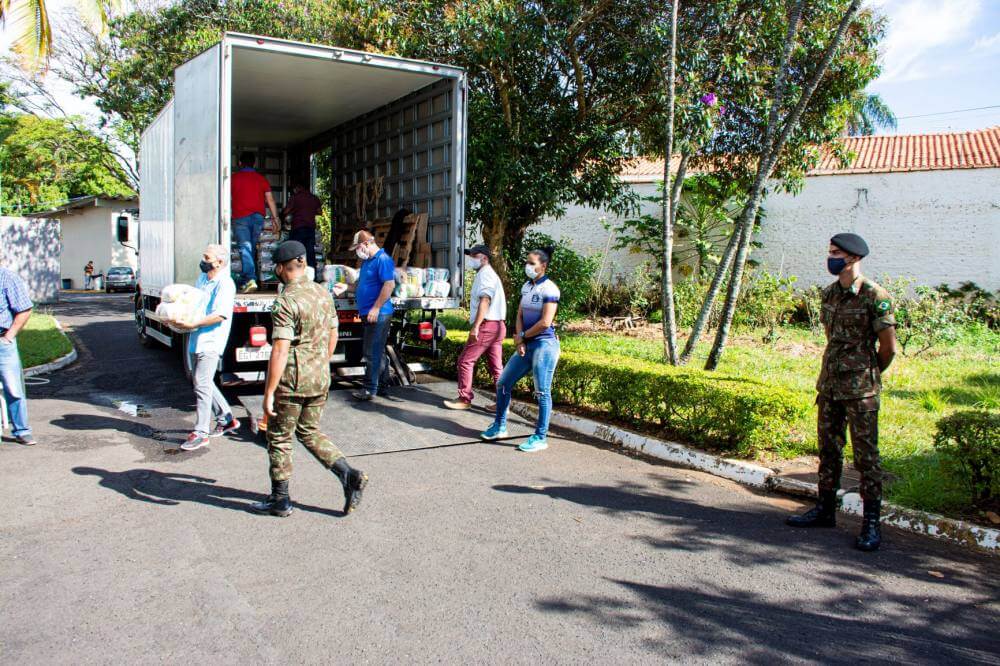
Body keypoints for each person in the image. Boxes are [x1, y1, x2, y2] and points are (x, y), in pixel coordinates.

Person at [786, 233, 897, 552]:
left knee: (866, 457)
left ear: (853, 258)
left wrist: (867, 373)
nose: (831, 258)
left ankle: (871, 523)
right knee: (829, 450)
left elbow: (888, 348)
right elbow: (830, 336)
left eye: (837, 253)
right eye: (830, 252)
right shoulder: (829, 294)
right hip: (830, 385)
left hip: (860, 390)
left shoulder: (875, 295)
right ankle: (825, 510)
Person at [251, 240, 368, 516]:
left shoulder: (286, 300)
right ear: (303, 263)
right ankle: (349, 474)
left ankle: (280, 500)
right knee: (309, 431)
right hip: (319, 376)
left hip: (292, 380)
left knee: (279, 436)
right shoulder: (322, 293)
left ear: (281, 268)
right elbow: (333, 334)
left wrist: (269, 392)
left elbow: (280, 349)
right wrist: (320, 363)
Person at [480, 246, 560, 453]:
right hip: (526, 344)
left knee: (542, 392)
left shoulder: (550, 289)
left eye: (532, 263)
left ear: (543, 266)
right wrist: (519, 342)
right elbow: (520, 314)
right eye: (527, 262)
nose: (528, 266)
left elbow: (545, 322)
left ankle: (540, 437)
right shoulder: (526, 286)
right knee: (503, 383)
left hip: (544, 345)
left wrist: (523, 336)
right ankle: (499, 426)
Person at [179, 244, 240, 451]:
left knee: (202, 384)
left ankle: (201, 432)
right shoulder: (203, 279)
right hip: (196, 338)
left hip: (211, 341)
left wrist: (193, 323)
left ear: (219, 262)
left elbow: (219, 315)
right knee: (202, 381)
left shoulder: (225, 284)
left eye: (207, 257)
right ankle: (226, 419)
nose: (203, 260)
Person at [444, 244, 506, 410]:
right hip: (498, 325)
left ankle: (464, 399)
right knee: (496, 367)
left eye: (474, 256)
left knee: (465, 361)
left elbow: (485, 301)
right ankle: (503, 404)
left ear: (484, 258)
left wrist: (476, 326)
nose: (471, 260)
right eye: (470, 256)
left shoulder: (486, 275)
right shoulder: (488, 274)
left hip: (487, 325)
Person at [349, 230, 396, 401]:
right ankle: (382, 386)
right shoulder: (368, 261)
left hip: (379, 314)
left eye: (358, 247)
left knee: (371, 352)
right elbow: (361, 284)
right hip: (370, 313)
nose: (357, 251)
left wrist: (375, 308)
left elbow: (389, 285)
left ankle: (369, 389)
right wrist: (345, 287)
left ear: (367, 243)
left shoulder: (383, 259)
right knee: (377, 351)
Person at [231, 152, 280, 294]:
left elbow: (224, 197)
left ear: (240, 163)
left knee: (245, 247)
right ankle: (248, 279)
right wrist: (276, 218)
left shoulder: (233, 179)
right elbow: (270, 199)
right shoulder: (261, 179)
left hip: (241, 217)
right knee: (250, 247)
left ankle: (250, 279)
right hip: (258, 218)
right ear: (254, 164)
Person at [0, 266, 36, 445]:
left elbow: (24, 309)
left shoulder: (7, 278)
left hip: (2, 343)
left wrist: (9, 336)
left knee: (13, 388)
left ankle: (21, 430)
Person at [282, 182, 323, 271]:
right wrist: (309, 211)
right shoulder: (314, 198)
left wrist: (290, 212)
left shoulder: (295, 197)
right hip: (310, 229)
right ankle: (312, 275)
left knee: (296, 252)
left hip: (298, 228)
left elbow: (286, 211)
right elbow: (320, 212)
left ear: (298, 188)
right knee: (310, 253)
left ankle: (296, 273)